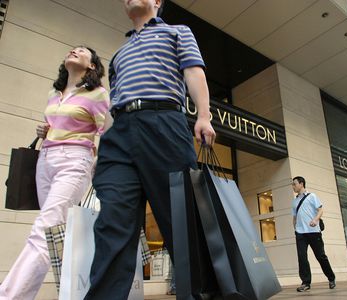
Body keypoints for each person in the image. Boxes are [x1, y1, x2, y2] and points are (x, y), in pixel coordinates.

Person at [84, 0, 216, 299]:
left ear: (157, 2)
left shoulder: (177, 32)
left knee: (180, 221)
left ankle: (199, 293)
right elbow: (112, 104)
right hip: (119, 135)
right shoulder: (119, 54)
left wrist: (204, 116)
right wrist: (102, 146)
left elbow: (194, 72)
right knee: (112, 223)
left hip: (164, 124)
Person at [0, 46, 111, 300]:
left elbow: (106, 130)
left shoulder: (97, 94)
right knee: (50, 235)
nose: (74, 51)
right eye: (72, 49)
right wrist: (44, 130)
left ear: (92, 65)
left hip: (74, 161)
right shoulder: (54, 93)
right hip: (45, 162)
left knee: (43, 230)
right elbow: (59, 124)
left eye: (81, 51)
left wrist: (97, 162)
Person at [291, 176, 336, 292]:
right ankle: (306, 283)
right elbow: (294, 217)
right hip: (300, 233)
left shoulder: (312, 196)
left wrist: (316, 220)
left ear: (301, 184)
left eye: (294, 184)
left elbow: (320, 210)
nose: (293, 186)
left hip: (314, 232)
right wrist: (295, 229)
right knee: (302, 257)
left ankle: (331, 278)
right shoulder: (295, 201)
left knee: (320, 256)